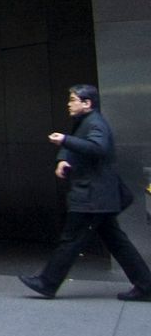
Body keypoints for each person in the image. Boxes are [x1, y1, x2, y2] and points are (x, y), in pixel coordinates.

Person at [19, 84, 151, 301]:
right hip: (98, 197)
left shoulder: (95, 124)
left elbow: (97, 148)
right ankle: (145, 285)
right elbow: (83, 148)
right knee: (116, 242)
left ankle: (48, 282)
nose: (69, 104)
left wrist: (64, 140)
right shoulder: (87, 123)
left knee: (71, 240)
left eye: (73, 100)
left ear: (87, 103)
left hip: (92, 197)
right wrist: (64, 158)